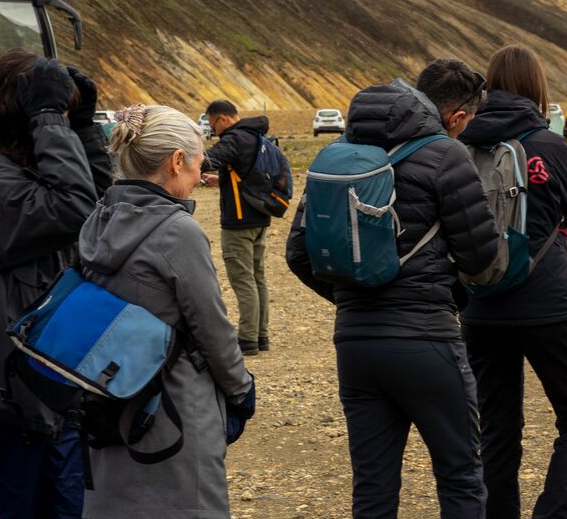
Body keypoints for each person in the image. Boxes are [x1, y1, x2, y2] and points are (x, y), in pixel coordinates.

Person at [287, 59, 500, 519]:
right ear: (457, 115)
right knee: (460, 476)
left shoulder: (338, 156)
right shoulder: (447, 155)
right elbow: (482, 259)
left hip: (355, 346)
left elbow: (299, 255)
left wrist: (355, 291)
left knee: (373, 489)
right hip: (426, 340)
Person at [0, 50, 111, 519]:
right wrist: (49, 120)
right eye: (47, 108)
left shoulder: (24, 164)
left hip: (50, 374)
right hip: (5, 384)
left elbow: (97, 204)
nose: (52, 118)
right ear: (17, 108)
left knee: (65, 507)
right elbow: (71, 209)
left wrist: (80, 124)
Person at [79, 105, 256, 518]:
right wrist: (241, 391)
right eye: (197, 163)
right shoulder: (177, 231)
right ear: (176, 161)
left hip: (111, 394)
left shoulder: (98, 218)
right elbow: (212, 328)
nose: (199, 176)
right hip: (173, 404)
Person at [458, 44, 567, 519]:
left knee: (496, 430)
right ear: (537, 87)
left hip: (480, 303)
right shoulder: (549, 145)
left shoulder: (462, 145)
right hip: (548, 303)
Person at [200, 100, 272, 356]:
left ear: (221, 119)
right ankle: (261, 335)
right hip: (259, 215)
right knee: (257, 277)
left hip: (238, 221)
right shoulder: (256, 136)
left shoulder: (234, 138)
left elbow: (207, 160)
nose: (213, 131)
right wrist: (221, 181)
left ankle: (247, 338)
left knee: (242, 279)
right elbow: (245, 174)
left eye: (212, 125)